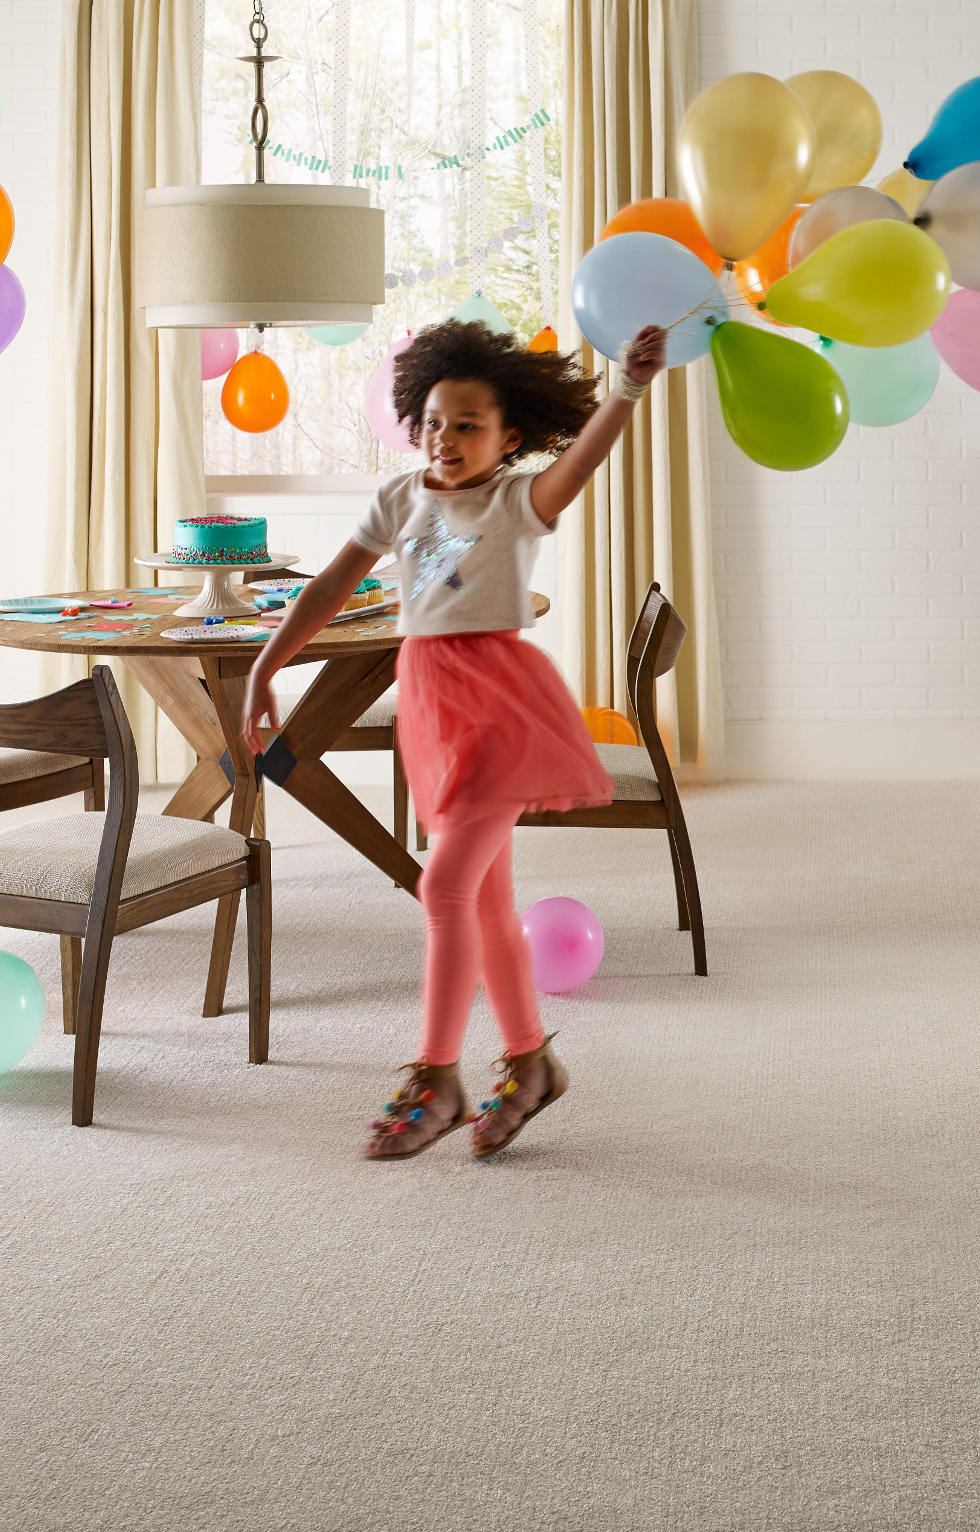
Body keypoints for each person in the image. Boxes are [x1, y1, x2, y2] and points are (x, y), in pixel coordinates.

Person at [240, 319, 668, 1161]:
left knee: (442, 889)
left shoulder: (514, 503)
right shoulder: (401, 498)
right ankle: (530, 1062)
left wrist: (627, 388)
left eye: (468, 425)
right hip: (434, 709)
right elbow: (330, 587)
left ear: (508, 438)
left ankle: (437, 1075)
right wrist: (267, 664)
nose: (445, 437)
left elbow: (580, 465)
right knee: (484, 902)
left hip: (501, 708)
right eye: (434, 421)